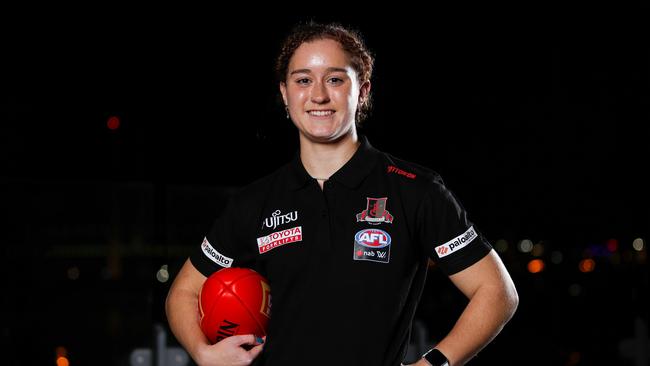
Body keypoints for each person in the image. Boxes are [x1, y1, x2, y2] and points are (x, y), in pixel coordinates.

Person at [165, 21, 518, 366]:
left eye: (335, 79)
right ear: (285, 94)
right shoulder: (255, 202)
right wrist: (202, 352)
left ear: (362, 91)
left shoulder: (414, 189)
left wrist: (435, 362)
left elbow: (498, 293)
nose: (318, 94)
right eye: (303, 80)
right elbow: (183, 292)